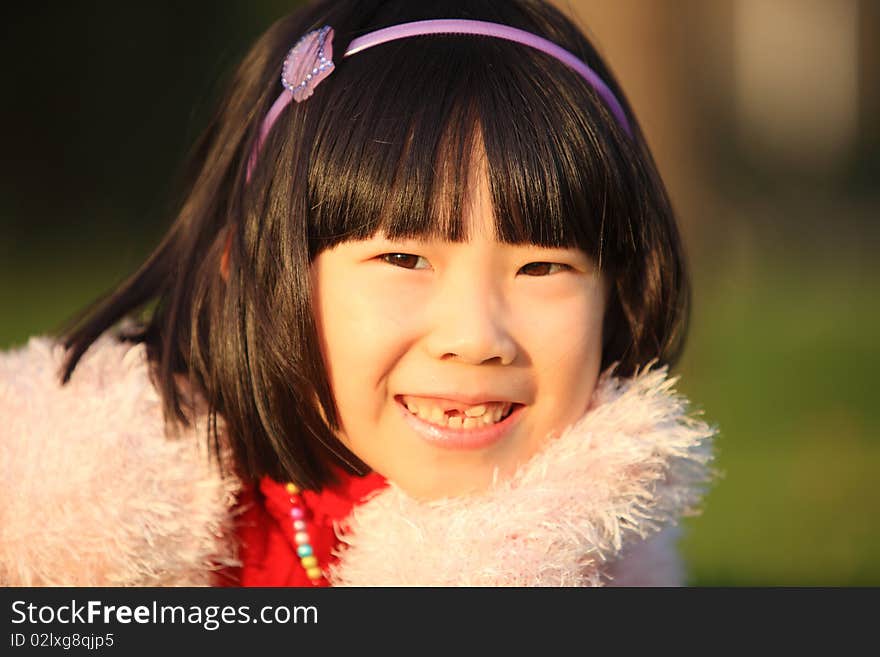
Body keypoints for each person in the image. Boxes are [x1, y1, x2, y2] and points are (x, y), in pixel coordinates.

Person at [0, 0, 715, 587]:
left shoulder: (600, 569)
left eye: (542, 268)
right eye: (402, 255)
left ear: (616, 294)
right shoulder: (62, 545)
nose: (475, 336)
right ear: (244, 270)